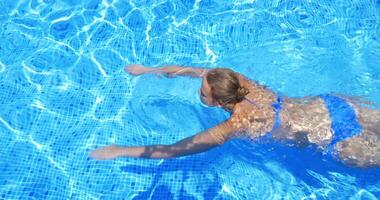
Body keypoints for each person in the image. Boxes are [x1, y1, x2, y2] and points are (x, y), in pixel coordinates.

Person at [89, 64, 380, 168]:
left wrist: (119, 151)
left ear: (217, 102)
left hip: (337, 141)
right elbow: (196, 71)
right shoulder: (240, 82)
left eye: (202, 93)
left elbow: (172, 150)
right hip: (336, 106)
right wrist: (148, 70)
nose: (199, 91)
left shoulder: (235, 125)